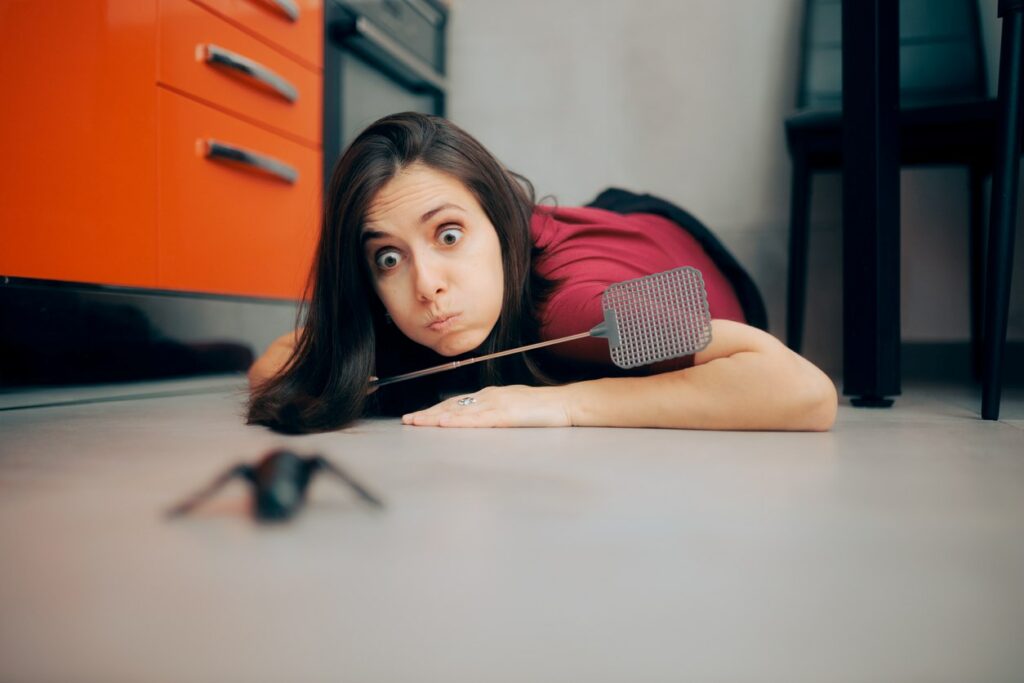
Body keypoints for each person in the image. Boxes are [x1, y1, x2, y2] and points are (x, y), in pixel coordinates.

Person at [247, 112, 837, 433]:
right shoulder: (421, 304)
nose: (425, 285)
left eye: (448, 235)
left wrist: (562, 405)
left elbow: (805, 393)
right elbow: (277, 362)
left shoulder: (579, 309)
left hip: (662, 241)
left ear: (502, 228)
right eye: (389, 258)